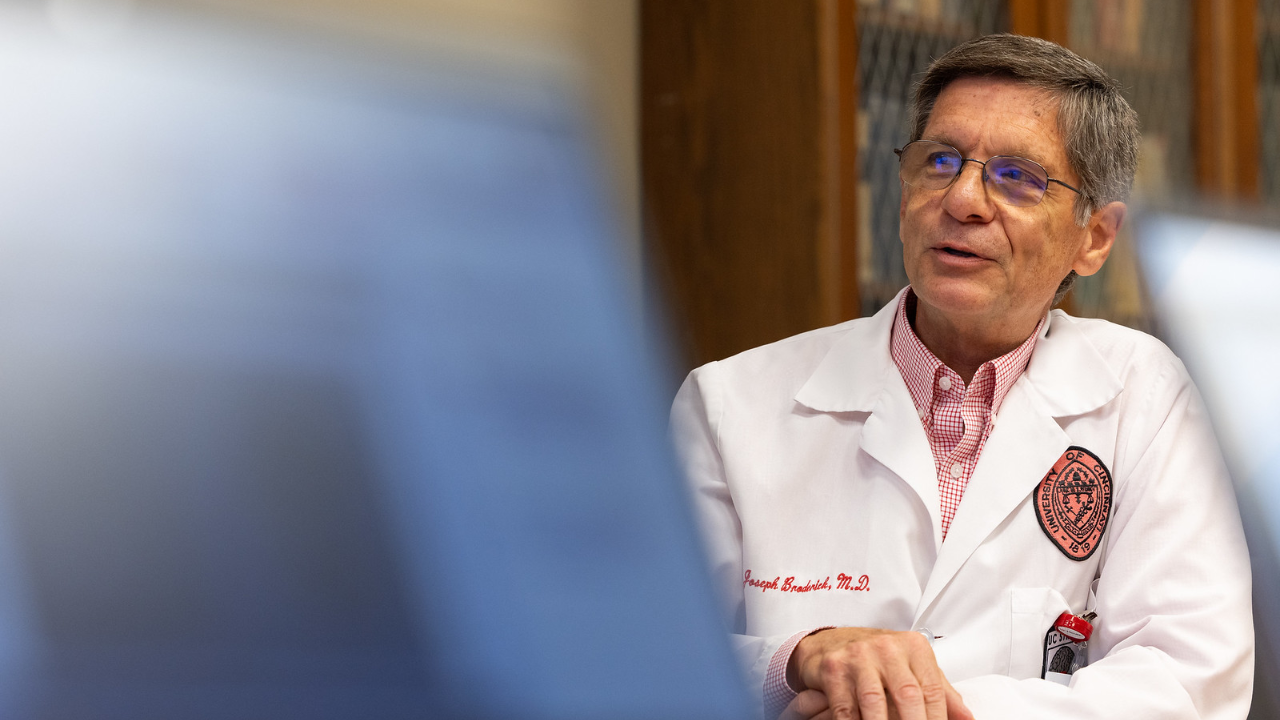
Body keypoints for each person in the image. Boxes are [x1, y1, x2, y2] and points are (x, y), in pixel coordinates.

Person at [670, 34, 1253, 720]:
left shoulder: (1145, 394)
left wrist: (911, 709)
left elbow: (1186, 681)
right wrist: (796, 658)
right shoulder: (728, 403)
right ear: (902, 188)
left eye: (1018, 177)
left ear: (1094, 237)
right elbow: (635, 656)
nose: (964, 200)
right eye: (940, 162)